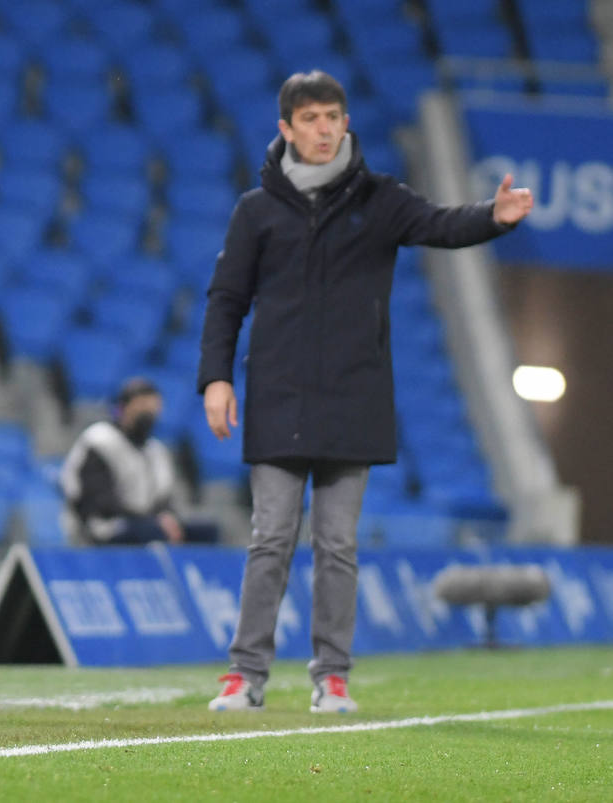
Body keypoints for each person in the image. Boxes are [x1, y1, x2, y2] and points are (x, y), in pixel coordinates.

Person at [198, 71, 533, 714]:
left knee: (338, 545)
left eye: (334, 117)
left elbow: (440, 224)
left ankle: (333, 677)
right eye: (312, 118)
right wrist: (216, 377)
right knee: (270, 539)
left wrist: (494, 216)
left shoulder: (379, 199)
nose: (325, 129)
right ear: (287, 129)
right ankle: (245, 676)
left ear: (346, 123)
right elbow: (226, 301)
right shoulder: (256, 211)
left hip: (353, 398)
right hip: (278, 397)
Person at [59, 377, 218, 546]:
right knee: (151, 531)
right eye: (141, 408)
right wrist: (152, 521)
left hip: (147, 523)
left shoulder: (156, 450)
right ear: (123, 408)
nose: (148, 414)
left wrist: (169, 518)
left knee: (207, 530)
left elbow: (164, 501)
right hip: (104, 526)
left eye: (153, 408)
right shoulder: (100, 440)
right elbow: (100, 503)